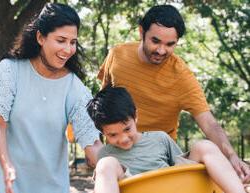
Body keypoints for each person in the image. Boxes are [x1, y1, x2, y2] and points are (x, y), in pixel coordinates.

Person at [97, 4, 250, 182]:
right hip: (120, 155)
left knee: (204, 149)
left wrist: (232, 156)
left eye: (170, 44)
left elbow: (209, 123)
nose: (162, 50)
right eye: (155, 41)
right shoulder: (117, 56)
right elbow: (104, 100)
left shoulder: (181, 76)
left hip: (161, 157)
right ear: (141, 32)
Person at [0, 3, 102, 193]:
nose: (68, 49)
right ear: (40, 37)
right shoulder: (9, 71)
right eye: (61, 40)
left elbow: (92, 143)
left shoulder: (74, 87)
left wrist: (111, 168)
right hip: (5, 184)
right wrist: (7, 166)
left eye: (73, 42)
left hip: (51, 187)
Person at [87, 86, 248, 193]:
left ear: (135, 117)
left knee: (204, 146)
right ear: (102, 132)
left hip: (172, 187)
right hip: (134, 186)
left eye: (127, 129)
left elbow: (183, 171)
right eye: (112, 135)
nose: (122, 139)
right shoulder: (106, 154)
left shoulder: (160, 138)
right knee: (105, 163)